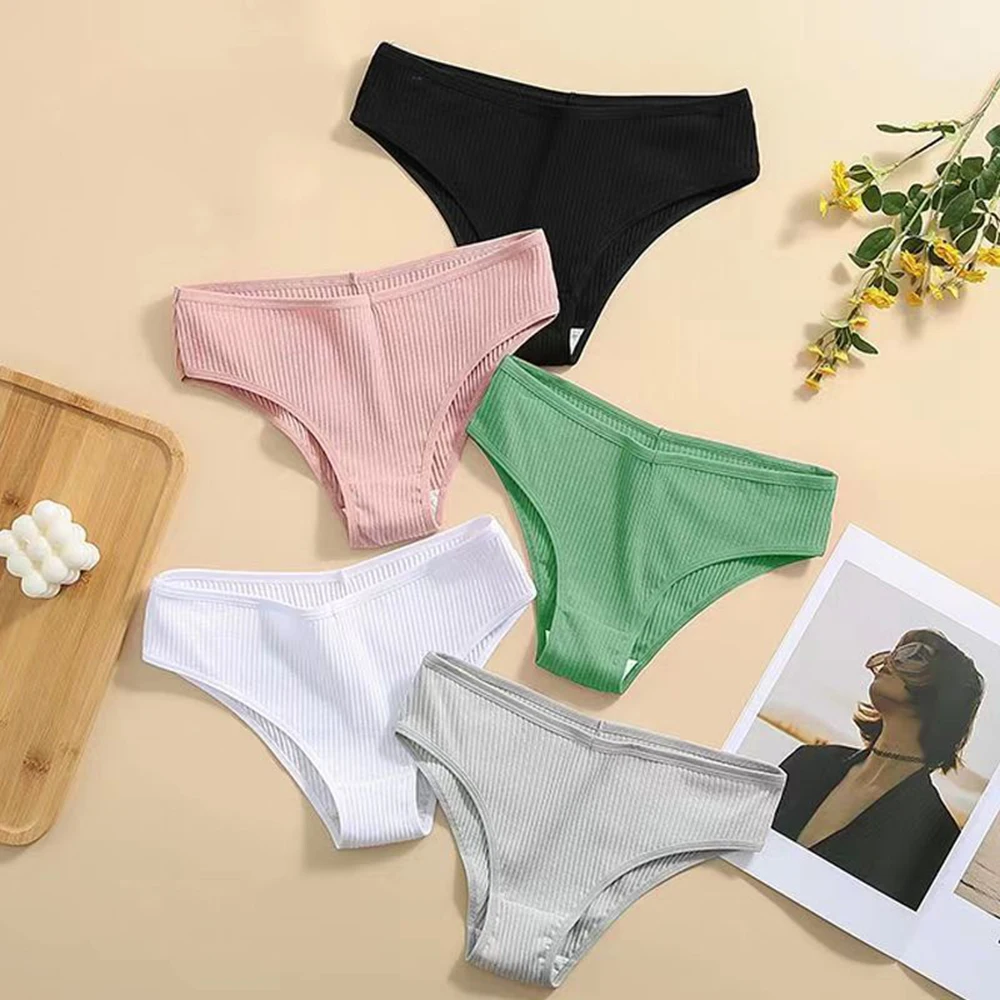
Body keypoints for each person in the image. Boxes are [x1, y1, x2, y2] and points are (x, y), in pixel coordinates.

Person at [772, 629, 984, 910]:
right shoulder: (807, 762)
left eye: (915, 656)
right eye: (895, 652)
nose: (890, 661)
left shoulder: (936, 839)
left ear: (945, 693)